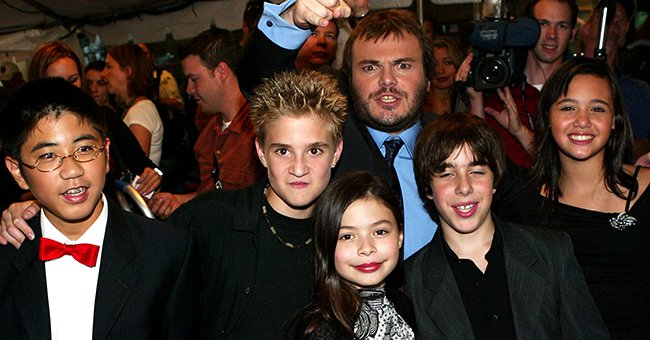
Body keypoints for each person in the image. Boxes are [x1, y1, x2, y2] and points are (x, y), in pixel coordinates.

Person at [0, 78, 197, 338]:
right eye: (48, 155)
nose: (72, 170)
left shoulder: (166, 252)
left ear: (105, 153)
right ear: (18, 172)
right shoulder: (7, 256)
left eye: (84, 149)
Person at [239, 0, 437, 259]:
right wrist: (291, 21)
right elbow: (260, 81)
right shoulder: (330, 135)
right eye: (370, 67)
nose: (387, 80)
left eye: (403, 65)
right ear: (348, 78)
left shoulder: (452, 144)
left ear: (429, 79)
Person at [168, 70, 345, 338]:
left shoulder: (349, 235)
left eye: (314, 151)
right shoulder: (213, 217)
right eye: (283, 151)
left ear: (337, 152)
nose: (299, 169)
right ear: (261, 152)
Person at [404, 112, 608, 338]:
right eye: (446, 174)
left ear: (495, 179)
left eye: (477, 171)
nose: (464, 187)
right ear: (427, 188)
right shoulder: (410, 285)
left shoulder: (552, 253)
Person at [497, 57, 650, 339]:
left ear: (615, 121)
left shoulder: (647, 190)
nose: (582, 121)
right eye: (568, 107)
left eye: (597, 108)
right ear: (548, 118)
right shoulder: (521, 210)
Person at [147, 28, 265, 219]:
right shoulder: (208, 134)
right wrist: (180, 201)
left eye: (194, 79)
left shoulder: (263, 128)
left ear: (221, 72)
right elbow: (211, 195)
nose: (189, 90)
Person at [27, 41, 161, 200]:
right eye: (56, 81)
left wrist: (154, 176)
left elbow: (147, 167)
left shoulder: (104, 118)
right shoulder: (28, 131)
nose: (66, 89)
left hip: (112, 218)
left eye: (72, 80)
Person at [294, 172, 416, 339]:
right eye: (347, 236)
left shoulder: (404, 305)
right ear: (327, 243)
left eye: (380, 232)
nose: (366, 248)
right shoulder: (321, 330)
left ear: (400, 236)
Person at [461, 0, 579, 168]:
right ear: (526, 29)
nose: (551, 35)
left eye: (562, 26)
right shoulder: (499, 88)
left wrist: (520, 131)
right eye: (543, 24)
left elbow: (568, 168)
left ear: (573, 32)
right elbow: (476, 159)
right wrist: (475, 98)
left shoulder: (578, 92)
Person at [577, 0, 650, 159]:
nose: (615, 21)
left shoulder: (639, 92)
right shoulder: (563, 79)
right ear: (586, 29)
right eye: (608, 15)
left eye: (621, 19)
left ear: (625, 36)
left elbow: (644, 147)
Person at [105, 44, 165, 166]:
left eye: (109, 67)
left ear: (128, 71)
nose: (104, 73)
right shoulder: (137, 108)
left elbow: (137, 168)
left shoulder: (140, 111)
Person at [424, 36, 464, 116]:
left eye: (447, 62)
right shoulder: (419, 108)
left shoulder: (466, 102)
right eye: (434, 64)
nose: (440, 71)